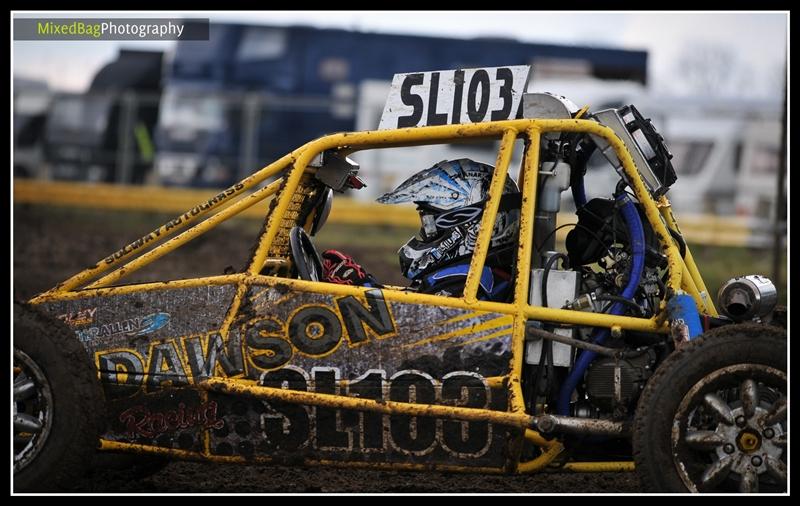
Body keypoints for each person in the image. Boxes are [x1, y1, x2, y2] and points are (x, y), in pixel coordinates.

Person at [321, 158, 520, 302]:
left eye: (430, 224)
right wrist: (364, 286)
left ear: (469, 224)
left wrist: (364, 289)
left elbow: (415, 338)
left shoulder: (469, 282)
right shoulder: (476, 275)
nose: (426, 232)